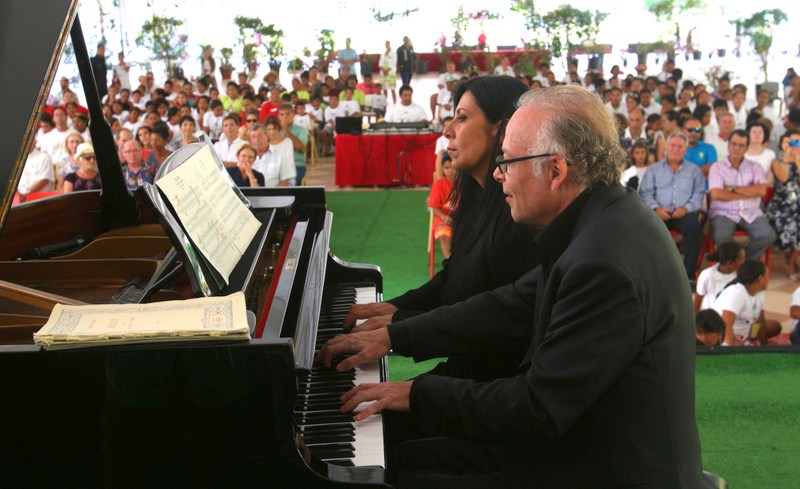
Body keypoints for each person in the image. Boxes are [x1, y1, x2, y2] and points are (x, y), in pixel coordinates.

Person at [318, 84, 705, 487]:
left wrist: (416, 394)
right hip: (577, 445)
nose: (499, 172)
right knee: (402, 456)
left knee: (400, 474)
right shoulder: (601, 217)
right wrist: (396, 335)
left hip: (606, 469)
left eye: (509, 161)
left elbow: (537, 408)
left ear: (556, 170)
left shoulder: (601, 262)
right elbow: (513, 303)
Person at [342, 76, 538, 382]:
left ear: (501, 130)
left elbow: (485, 324)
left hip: (494, 385)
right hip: (472, 374)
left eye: (462, 118)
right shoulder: (477, 199)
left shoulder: (519, 217)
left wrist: (397, 329)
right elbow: (456, 278)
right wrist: (393, 308)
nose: (447, 130)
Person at [639, 132, 706, 278]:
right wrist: (656, 208)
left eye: (680, 147)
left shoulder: (694, 170)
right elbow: (645, 193)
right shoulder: (653, 169)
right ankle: (654, 274)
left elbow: (699, 194)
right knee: (647, 229)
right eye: (672, 145)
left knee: (694, 229)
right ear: (666, 148)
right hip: (659, 212)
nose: (675, 149)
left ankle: (689, 274)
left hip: (683, 213)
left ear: (685, 150)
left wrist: (685, 208)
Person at [708, 129, 776, 260]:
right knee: (722, 238)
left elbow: (761, 191)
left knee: (767, 235)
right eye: (733, 144)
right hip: (723, 212)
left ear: (746, 148)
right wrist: (749, 192)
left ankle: (742, 262)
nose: (736, 148)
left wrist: (732, 189)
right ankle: (735, 263)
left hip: (751, 211)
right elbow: (717, 194)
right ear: (728, 145)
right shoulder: (717, 167)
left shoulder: (755, 167)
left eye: (741, 145)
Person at [713, 259, 781, 345]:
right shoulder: (736, 293)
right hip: (722, 332)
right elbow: (726, 323)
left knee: (775, 326)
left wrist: (764, 346)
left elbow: (759, 320)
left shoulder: (759, 292)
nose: (769, 279)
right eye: (767, 275)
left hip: (743, 329)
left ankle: (748, 341)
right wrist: (731, 346)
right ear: (760, 279)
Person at [765, 130, 800, 279]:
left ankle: (791, 260)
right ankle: (790, 263)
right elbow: (783, 178)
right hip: (780, 206)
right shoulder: (776, 161)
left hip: (797, 205)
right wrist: (787, 159)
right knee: (790, 227)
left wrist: (797, 159)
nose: (793, 145)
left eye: (797, 142)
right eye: (790, 141)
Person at [694, 240, 745, 312]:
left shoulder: (742, 275)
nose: (744, 262)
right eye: (741, 259)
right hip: (712, 317)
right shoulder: (707, 275)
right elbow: (698, 300)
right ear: (729, 263)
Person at [428, 154, 456, 259]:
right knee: (443, 233)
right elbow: (434, 208)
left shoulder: (464, 183)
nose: (450, 171)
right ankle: (449, 261)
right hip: (443, 217)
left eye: (453, 167)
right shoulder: (439, 184)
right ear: (443, 169)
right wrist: (444, 217)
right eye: (447, 168)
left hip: (461, 217)